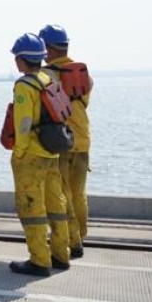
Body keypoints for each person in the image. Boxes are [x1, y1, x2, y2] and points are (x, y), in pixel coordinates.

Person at [8, 33, 70, 277]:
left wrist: (19, 152)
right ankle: (60, 255)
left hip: (32, 153)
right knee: (56, 203)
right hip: (52, 151)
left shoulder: (24, 85)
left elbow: (23, 123)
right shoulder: (49, 78)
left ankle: (39, 260)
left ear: (22, 60)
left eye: (16, 58)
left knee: (31, 207)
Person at [40, 24, 92, 259]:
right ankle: (80, 235)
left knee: (62, 193)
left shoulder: (47, 75)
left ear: (47, 48)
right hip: (83, 140)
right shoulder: (83, 74)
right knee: (78, 192)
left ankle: (71, 241)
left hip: (61, 141)